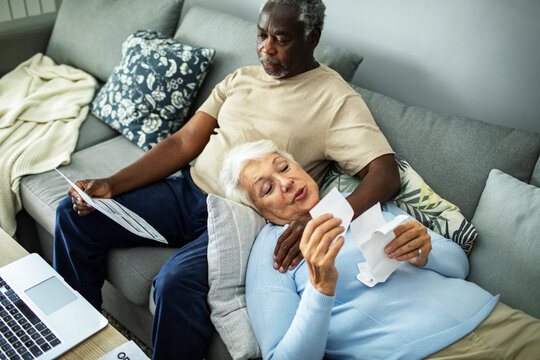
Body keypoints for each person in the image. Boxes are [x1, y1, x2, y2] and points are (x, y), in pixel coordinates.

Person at [53, 0, 400, 359]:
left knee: (174, 283)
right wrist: (112, 185)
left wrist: (319, 220)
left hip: (241, 221)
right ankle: (77, 338)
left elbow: (385, 174)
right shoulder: (242, 78)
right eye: (262, 35)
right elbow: (184, 141)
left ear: (312, 37)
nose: (266, 48)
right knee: (77, 213)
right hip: (188, 192)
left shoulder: (335, 100)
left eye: (280, 39)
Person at [220, 139, 540, 360]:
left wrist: (424, 250)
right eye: (267, 188)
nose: (285, 182)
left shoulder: (358, 205)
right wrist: (321, 289)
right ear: (259, 211)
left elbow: (459, 267)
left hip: (497, 319)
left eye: (284, 168)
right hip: (418, 353)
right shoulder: (274, 252)